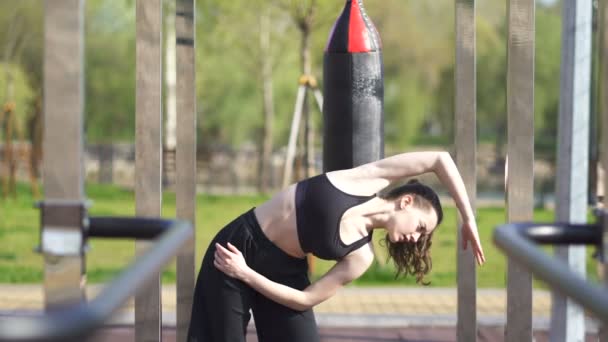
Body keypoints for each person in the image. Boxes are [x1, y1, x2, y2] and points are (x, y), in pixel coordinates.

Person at [187, 151, 485, 342]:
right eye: (420, 227)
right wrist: (468, 217)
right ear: (406, 202)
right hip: (238, 248)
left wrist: (248, 275)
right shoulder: (365, 180)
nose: (416, 238)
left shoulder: (361, 256)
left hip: (281, 274)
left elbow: (304, 300)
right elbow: (439, 159)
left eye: (423, 236)